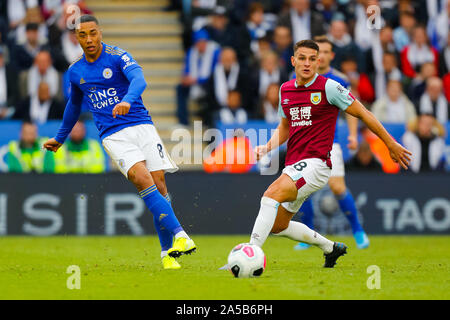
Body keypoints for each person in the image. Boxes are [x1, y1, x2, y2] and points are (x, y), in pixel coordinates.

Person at [43, 15, 196, 270]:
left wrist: (127, 99)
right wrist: (60, 137)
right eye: (83, 35)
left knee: (159, 185)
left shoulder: (118, 56)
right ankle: (181, 235)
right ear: (76, 38)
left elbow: (140, 80)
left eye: (93, 33)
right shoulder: (76, 70)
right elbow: (74, 104)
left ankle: (167, 254)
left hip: (142, 126)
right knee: (141, 178)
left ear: (100, 32)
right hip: (113, 133)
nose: (89, 39)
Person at [249, 40, 411, 268]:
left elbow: (363, 113)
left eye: (312, 59)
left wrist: (389, 143)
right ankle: (330, 248)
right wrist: (267, 147)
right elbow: (285, 126)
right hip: (294, 164)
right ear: (293, 61)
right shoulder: (285, 89)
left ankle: (250, 254)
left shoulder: (329, 87)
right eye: (302, 58)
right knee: (278, 226)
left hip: (317, 163)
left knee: (270, 195)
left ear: (318, 62)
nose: (307, 63)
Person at [294, 36, 370, 250]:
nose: (323, 56)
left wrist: (353, 135)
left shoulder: (339, 80)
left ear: (330, 55)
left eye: (326, 52)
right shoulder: (299, 76)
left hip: (330, 142)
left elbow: (352, 110)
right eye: (320, 52)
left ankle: (357, 229)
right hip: (304, 144)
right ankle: (307, 235)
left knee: (337, 186)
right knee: (302, 191)